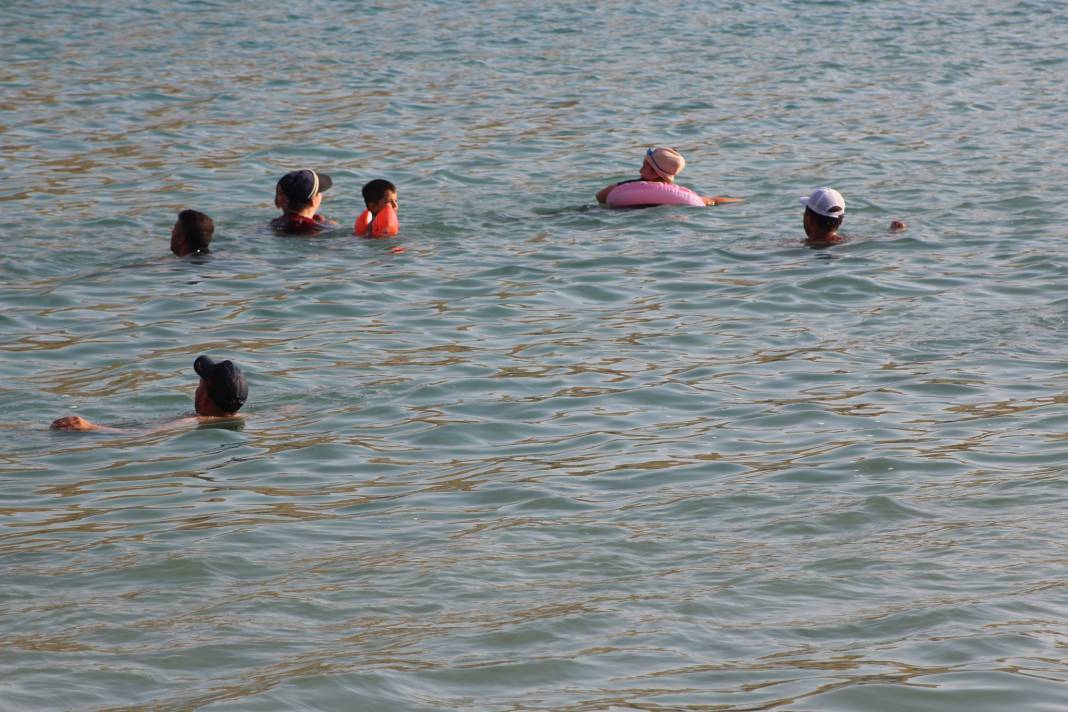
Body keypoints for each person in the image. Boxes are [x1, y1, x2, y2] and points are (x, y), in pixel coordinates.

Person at [50, 356, 248, 432]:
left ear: (204, 396)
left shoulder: (192, 422)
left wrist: (90, 427)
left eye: (199, 384)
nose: (196, 389)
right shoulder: (244, 417)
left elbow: (137, 435)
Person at [595, 147, 743, 206]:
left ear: (653, 172)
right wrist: (739, 200)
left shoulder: (625, 187)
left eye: (644, 164)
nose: (640, 168)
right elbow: (711, 201)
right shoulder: (680, 193)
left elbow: (600, 197)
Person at [270, 169, 337, 234]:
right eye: (319, 192)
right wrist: (331, 226)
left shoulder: (275, 223)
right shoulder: (318, 228)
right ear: (312, 201)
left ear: (279, 202)